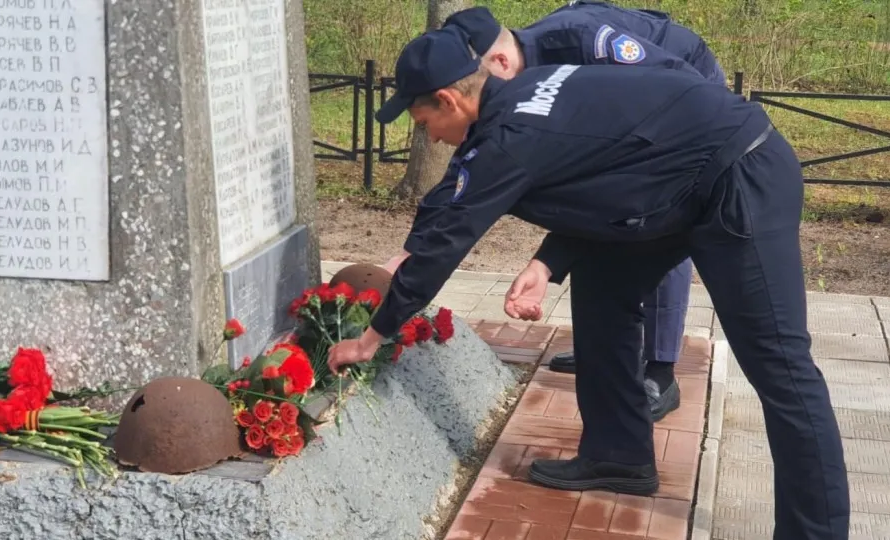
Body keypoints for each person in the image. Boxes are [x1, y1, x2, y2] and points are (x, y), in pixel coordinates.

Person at [327, 26, 850, 540]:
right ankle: (618, 455)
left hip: (741, 176)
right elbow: (601, 169)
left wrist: (372, 336)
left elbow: (450, 237)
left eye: (423, 122)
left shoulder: (510, 136)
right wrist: (547, 263)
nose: (430, 137)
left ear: (448, 99)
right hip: (675, 185)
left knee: (781, 367)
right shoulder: (524, 97)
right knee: (602, 290)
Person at [438, 3, 728, 422]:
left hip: (684, 80)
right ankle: (607, 346)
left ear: (500, 61)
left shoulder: (582, 42)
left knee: (660, 218)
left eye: (482, 86)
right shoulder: (526, 72)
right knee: (599, 209)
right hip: (641, 96)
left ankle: (660, 371)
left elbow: (667, 82)